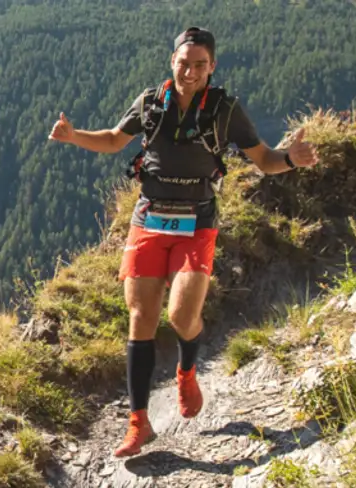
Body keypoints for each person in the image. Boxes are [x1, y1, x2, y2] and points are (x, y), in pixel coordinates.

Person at [45, 26, 322, 457]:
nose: (190, 72)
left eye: (199, 65)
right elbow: (116, 140)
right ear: (171, 61)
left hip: (197, 220)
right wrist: (74, 135)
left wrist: (291, 159)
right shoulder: (151, 102)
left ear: (212, 67)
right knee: (140, 317)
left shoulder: (225, 109)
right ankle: (138, 425)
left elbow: (264, 159)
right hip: (149, 216)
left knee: (180, 317)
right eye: (183, 63)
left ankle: (186, 371)